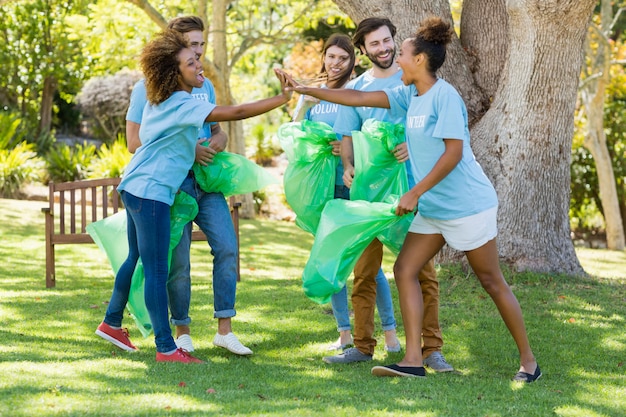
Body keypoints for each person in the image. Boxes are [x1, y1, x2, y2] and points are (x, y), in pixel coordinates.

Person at [281, 16, 541, 382]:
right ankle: (413, 360)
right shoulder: (409, 93)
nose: (395, 58)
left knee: (491, 280)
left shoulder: (444, 96)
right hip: (432, 209)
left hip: (467, 205)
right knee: (404, 270)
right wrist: (304, 89)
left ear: (419, 60)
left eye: (401, 52)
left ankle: (529, 362)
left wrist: (414, 192)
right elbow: (355, 96)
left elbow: (452, 154)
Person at [95, 29, 291, 363]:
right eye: (191, 63)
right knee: (158, 270)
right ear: (175, 73)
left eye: (197, 59)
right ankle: (166, 348)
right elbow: (238, 112)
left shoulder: (165, 100)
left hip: (136, 187)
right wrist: (282, 98)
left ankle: (112, 323)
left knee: (141, 259)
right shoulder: (180, 103)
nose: (199, 66)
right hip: (151, 192)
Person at [313, 18, 451, 371]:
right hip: (368, 194)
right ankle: (362, 344)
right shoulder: (357, 88)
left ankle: (431, 348)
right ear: (363, 50)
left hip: (411, 189)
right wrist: (347, 165)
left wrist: (411, 144)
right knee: (364, 271)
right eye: (375, 44)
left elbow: (435, 129)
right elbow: (348, 135)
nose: (384, 48)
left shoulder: (416, 80)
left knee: (423, 272)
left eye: (388, 40)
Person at [125, 16, 251, 356]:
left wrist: (217, 141)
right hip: (172, 183)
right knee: (178, 262)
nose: (199, 53)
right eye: (191, 46)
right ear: (173, 49)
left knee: (227, 246)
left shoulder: (203, 85)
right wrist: (188, 148)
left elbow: (217, 128)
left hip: (206, 181)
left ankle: (225, 329)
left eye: (202, 44)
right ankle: (182, 331)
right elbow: (134, 141)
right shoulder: (146, 88)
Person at [291, 33, 401, 353]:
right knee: (332, 258)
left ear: (353, 61)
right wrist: (305, 110)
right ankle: (344, 333)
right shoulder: (313, 96)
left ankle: (391, 333)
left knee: (368, 265)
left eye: (343, 58)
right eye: (331, 56)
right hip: (324, 188)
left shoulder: (358, 91)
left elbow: (365, 132)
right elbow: (296, 135)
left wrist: (346, 149)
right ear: (323, 58)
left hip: (355, 184)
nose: (336, 63)